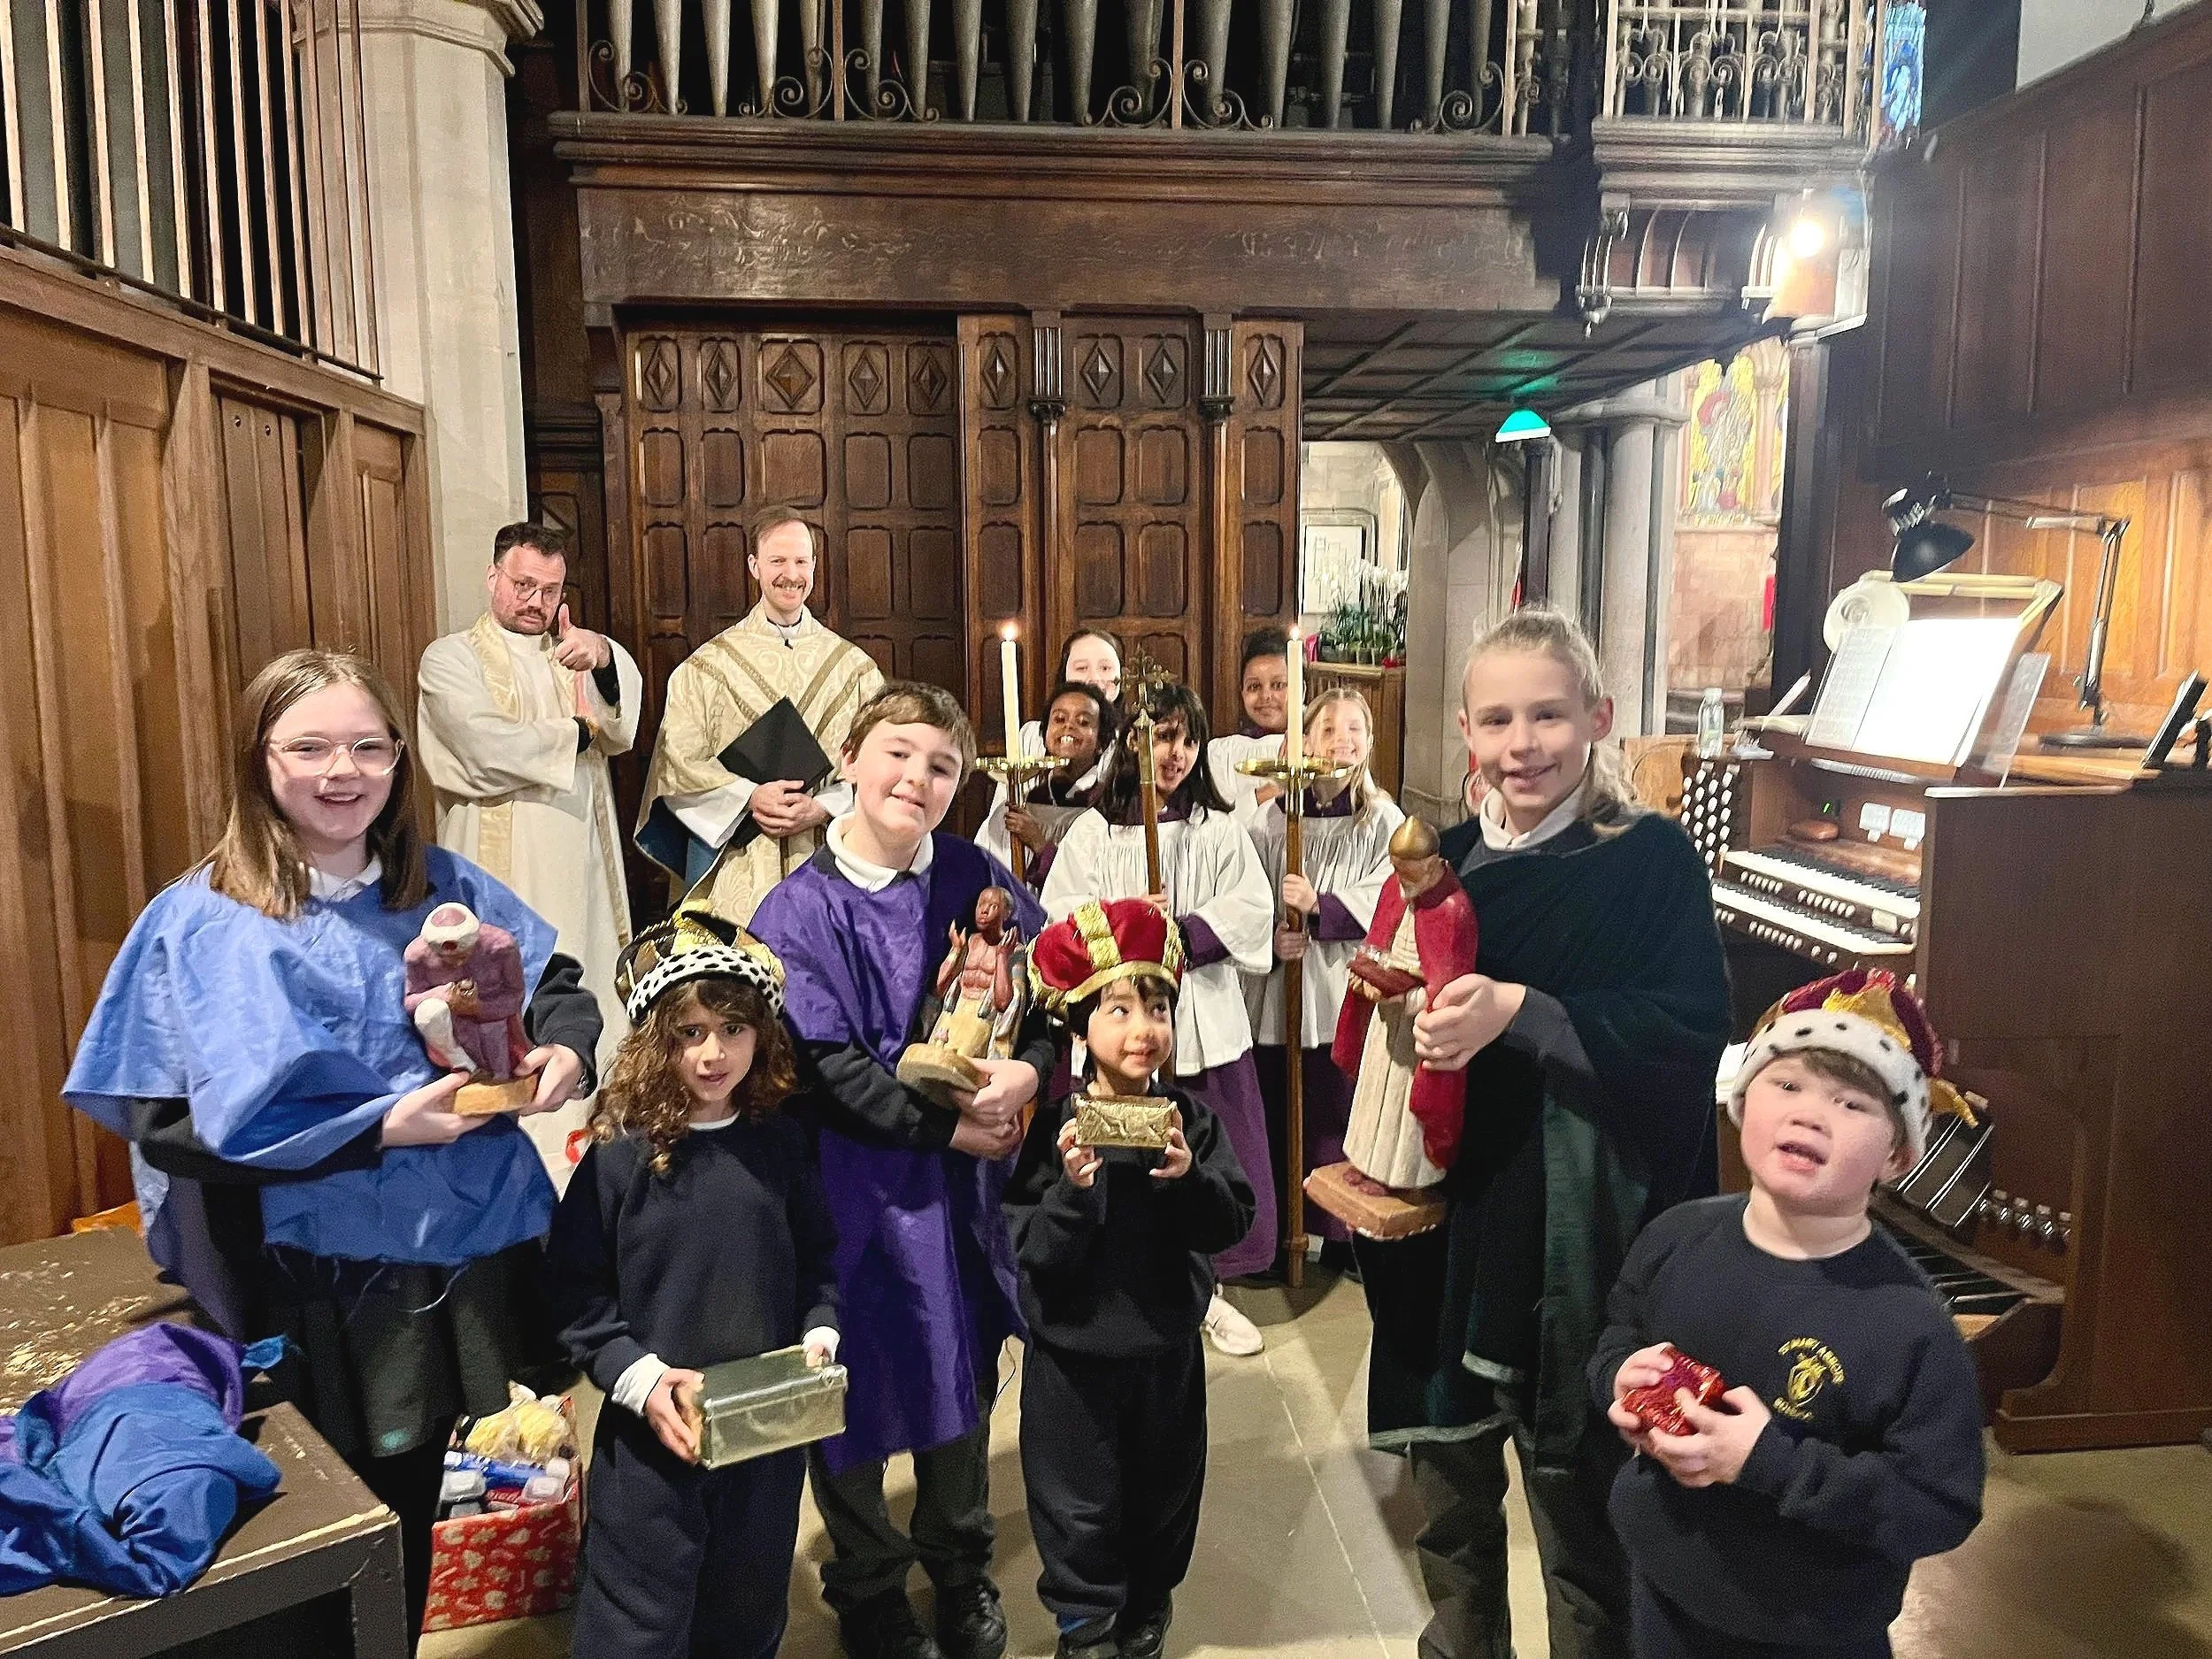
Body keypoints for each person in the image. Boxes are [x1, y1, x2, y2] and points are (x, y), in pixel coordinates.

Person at [62, 649, 598, 1642]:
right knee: (323, 1511)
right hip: (308, 1274)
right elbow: (167, 1122)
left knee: (418, 1479)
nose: (340, 771)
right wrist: (379, 1127)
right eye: (308, 746)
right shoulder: (201, 917)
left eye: (366, 746)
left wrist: (564, 1050)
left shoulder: (441, 884)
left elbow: (557, 981)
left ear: (399, 759)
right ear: (258, 759)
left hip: (461, 1248)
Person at [1357, 609, 1731, 1659]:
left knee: (1579, 1507)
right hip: (1450, 1212)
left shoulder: (1647, 860)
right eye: (1497, 720)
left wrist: (1523, 1012)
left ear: (1598, 718)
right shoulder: (1446, 863)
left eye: (1549, 715)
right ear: (1465, 735)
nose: (1523, 743)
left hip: (1567, 1228)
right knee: (1450, 1484)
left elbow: (1689, 1029)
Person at [749, 682, 1052, 1659]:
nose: (916, 778)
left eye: (941, 766)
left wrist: (1027, 1071)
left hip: (960, 1195)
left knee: (959, 1377)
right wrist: (946, 1133)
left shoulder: (974, 874)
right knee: (850, 1387)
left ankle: (958, 1565)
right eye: (898, 752)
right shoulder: (799, 905)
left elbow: (1047, 1001)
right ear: (848, 757)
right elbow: (826, 1065)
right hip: (852, 1187)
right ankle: (868, 1577)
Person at [1590, 969, 1985, 1658]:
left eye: (1852, 1102)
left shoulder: (1908, 1324)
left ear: (1896, 1154)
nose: (1809, 1113)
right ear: (1744, 1100)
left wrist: (1769, 1462)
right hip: (1664, 1590)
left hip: (1810, 1631)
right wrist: (1620, 1375)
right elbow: (1620, 1328)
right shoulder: (1676, 1236)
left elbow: (1938, 1505)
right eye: (1787, 1083)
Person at [547, 908, 841, 1659]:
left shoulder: (780, 1145)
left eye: (734, 1030)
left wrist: (819, 1326)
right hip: (654, 1441)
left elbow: (819, 1257)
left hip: (764, 1437)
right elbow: (578, 1300)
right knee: (637, 1621)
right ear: (655, 1038)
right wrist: (639, 1381)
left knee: (747, 1606)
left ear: (761, 1034)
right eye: (690, 1032)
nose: (714, 1052)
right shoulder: (618, 1161)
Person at [1007, 898, 1256, 1659]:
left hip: (1164, 1348)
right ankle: (1085, 1622)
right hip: (1074, 1356)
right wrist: (1073, 1195)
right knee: (1076, 1498)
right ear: (1080, 1030)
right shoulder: (1056, 1129)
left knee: (1164, 1489)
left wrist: (1183, 1181)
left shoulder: (1191, 1120)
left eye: (1156, 1007)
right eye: (1118, 1009)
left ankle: (1148, 1604)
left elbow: (1230, 1220)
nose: (1142, 1027)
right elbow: (1030, 1249)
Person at [1043, 680, 1276, 1357]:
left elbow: (1251, 909)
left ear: (1199, 748)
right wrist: (1129, 925)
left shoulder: (1220, 829)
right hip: (1121, 1028)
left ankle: (1207, 1291)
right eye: (1154, 736)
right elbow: (1064, 918)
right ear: (1127, 744)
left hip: (1201, 1016)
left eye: (1182, 737)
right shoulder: (1095, 831)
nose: (1168, 752)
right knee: (1118, 1159)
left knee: (1194, 1152)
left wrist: (1178, 929)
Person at [416, 518, 641, 1177]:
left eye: (549, 589)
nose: (534, 601)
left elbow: (621, 728)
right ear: (493, 578)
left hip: (580, 862)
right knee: (503, 992)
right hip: (499, 867)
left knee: (587, 974)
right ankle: (511, 1150)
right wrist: (574, 734)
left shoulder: (568, 651)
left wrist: (603, 657)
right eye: (522, 584)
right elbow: (483, 745)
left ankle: (594, 1148)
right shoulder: (450, 657)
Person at [637, 505, 887, 922]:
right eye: (777, 561)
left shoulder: (854, 669)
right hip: (739, 864)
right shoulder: (705, 669)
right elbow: (676, 764)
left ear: (814, 565)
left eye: (801, 561)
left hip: (828, 854)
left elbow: (879, 763)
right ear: (754, 566)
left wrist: (823, 807)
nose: (791, 574)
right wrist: (748, 796)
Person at [1246, 687, 1403, 1263]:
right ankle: (1281, 1233)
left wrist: (1321, 905)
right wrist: (1272, 931)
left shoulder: (1382, 816)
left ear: (1370, 742)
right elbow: (1246, 893)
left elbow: (1393, 896)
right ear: (1304, 742)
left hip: (1342, 981)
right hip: (1281, 982)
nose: (1342, 740)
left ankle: (1342, 1239)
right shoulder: (1271, 819)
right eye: (1328, 730)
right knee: (1281, 1106)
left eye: (1355, 729)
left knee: (1341, 1110)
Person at [978, 680, 1121, 889]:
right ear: (1045, 735)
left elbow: (1093, 890)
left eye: (1083, 722)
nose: (1068, 726)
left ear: (1102, 742)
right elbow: (985, 874)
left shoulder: (1108, 813)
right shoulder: (1018, 809)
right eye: (1059, 719)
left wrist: (1039, 844)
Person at [1205, 626, 1289, 826]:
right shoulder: (1224, 754)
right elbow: (1217, 827)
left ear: (1301, 689)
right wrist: (1269, 792)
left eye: (1278, 685)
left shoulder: (1320, 749)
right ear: (1241, 692)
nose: (1266, 696)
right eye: (1254, 686)